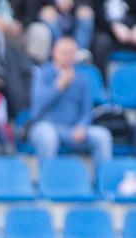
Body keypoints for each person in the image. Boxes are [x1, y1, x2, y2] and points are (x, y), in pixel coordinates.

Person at [28, 36, 112, 164]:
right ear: (54, 53)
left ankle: (102, 180)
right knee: (47, 135)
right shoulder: (43, 73)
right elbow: (37, 109)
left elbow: (87, 108)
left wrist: (82, 125)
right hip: (47, 126)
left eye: (72, 53)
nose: (68, 56)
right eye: (64, 52)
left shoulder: (83, 77)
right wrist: (58, 86)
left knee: (102, 136)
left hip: (73, 129)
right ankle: (48, 178)